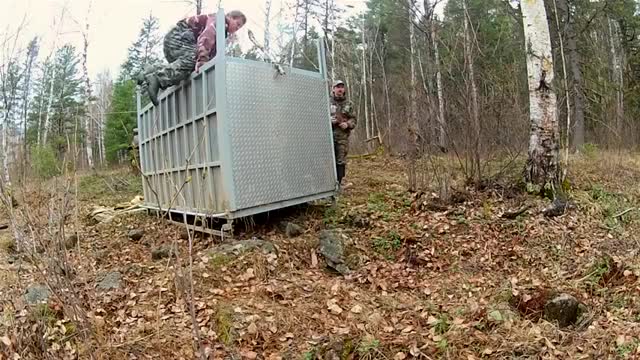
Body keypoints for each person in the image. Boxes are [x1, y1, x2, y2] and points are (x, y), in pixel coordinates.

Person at [138, 10, 247, 106]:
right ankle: (157, 79)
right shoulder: (219, 20)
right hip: (179, 38)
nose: (236, 29)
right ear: (230, 17)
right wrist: (202, 60)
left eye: (239, 27)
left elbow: (213, 54)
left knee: (187, 69)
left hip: (176, 43)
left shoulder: (222, 32)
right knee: (195, 59)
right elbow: (206, 38)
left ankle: (153, 70)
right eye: (237, 24)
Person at [330, 80, 356, 188]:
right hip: (328, 137)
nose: (340, 89)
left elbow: (354, 119)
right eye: (337, 87)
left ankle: (339, 183)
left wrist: (347, 124)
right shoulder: (327, 102)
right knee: (328, 160)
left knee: (340, 160)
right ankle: (328, 183)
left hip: (342, 138)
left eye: (341, 87)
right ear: (333, 89)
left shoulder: (349, 104)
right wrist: (329, 121)